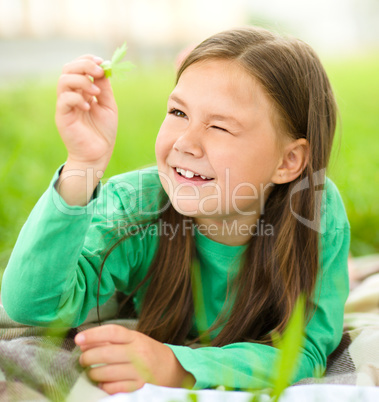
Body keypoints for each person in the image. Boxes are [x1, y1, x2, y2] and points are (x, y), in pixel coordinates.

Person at [1, 26, 350, 395]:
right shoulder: (136, 204)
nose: (186, 142)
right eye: (178, 111)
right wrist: (81, 163)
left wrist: (176, 366)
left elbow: (306, 350)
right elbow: (31, 307)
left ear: (289, 160)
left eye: (218, 126)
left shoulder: (315, 215)